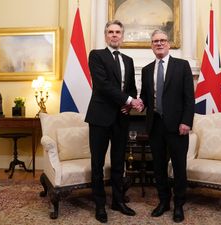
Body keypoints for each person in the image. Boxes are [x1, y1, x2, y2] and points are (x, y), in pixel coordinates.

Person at [85, 20, 141, 223]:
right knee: (97, 163)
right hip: (100, 118)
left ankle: (118, 201)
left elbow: (132, 88)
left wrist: (130, 102)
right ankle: (100, 205)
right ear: (105, 35)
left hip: (121, 118)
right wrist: (128, 100)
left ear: (122, 36)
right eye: (111, 32)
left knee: (118, 163)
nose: (114, 35)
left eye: (118, 32)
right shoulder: (96, 55)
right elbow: (103, 85)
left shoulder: (128, 60)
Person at [139, 29, 195, 223]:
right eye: (155, 41)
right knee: (159, 167)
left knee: (179, 167)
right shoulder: (146, 70)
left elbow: (190, 98)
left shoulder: (182, 66)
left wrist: (186, 121)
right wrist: (137, 103)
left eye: (163, 40)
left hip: (178, 126)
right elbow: (145, 98)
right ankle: (164, 202)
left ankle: (179, 204)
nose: (159, 44)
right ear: (151, 46)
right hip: (155, 125)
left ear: (169, 44)